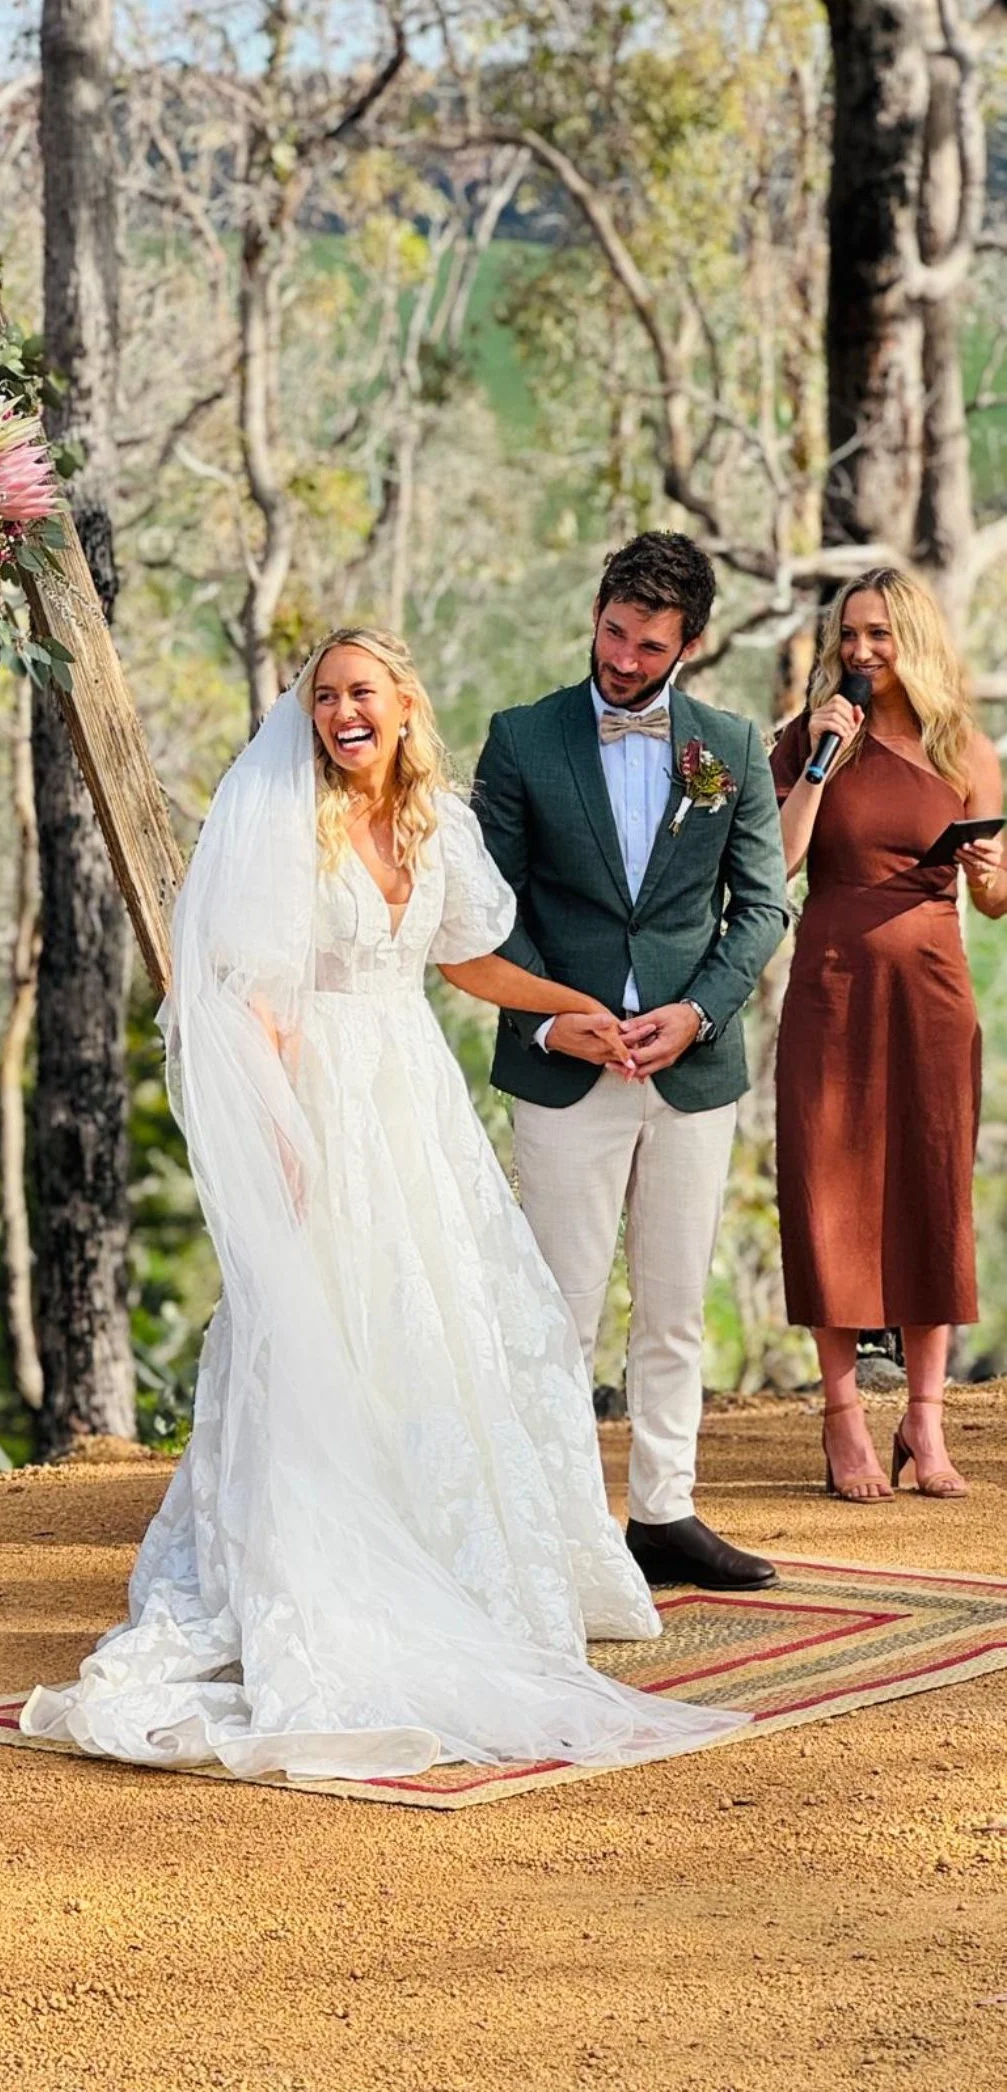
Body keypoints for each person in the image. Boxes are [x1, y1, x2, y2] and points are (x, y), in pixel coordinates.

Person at [21, 628, 745, 1782]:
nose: (343, 712)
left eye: (363, 693)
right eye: (325, 696)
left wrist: (571, 1007)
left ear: (406, 701)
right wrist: (282, 1128)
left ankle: (450, 1543)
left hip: (412, 1095)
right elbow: (241, 986)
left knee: (444, 1313)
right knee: (328, 1324)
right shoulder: (283, 822)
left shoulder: (437, 821)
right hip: (321, 1097)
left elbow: (468, 963)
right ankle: (326, 1565)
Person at [473, 533, 788, 1592]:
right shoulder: (520, 741)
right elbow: (486, 913)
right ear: (598, 611)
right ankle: (556, 1527)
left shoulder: (730, 748)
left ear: (687, 646)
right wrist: (560, 1022)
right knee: (559, 1302)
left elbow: (762, 906)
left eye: (650, 646)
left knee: (673, 1306)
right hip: (569, 1069)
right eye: (614, 631)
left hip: (692, 1076)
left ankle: (665, 1510)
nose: (624, 658)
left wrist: (698, 1013)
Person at [770, 568, 1004, 1503]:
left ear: (913, 638)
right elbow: (779, 862)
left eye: (879, 634)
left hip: (932, 990)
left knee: (928, 1184)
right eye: (849, 635)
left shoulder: (964, 749)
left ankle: (923, 1419)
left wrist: (989, 871)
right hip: (831, 982)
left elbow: (994, 901)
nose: (861, 651)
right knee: (830, 1186)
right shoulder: (808, 736)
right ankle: (840, 1423)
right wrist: (821, 760)